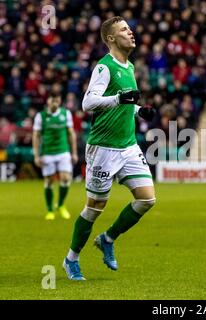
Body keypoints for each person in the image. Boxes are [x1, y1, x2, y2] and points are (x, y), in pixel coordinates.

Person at [63, 16, 156, 281]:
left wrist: (139, 110)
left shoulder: (129, 66)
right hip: (103, 148)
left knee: (147, 199)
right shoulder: (104, 67)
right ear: (111, 38)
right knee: (94, 208)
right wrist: (119, 98)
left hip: (127, 145)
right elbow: (88, 103)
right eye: (124, 30)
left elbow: (124, 102)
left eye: (129, 28)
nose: (131, 32)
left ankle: (108, 238)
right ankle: (71, 259)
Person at [32, 92, 78, 220]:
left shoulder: (66, 114)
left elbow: (71, 134)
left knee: (65, 178)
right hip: (47, 152)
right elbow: (36, 136)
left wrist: (73, 153)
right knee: (49, 181)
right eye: (53, 101)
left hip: (63, 151)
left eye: (57, 101)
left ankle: (61, 205)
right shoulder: (40, 116)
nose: (55, 104)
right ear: (48, 101)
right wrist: (36, 155)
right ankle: (50, 210)